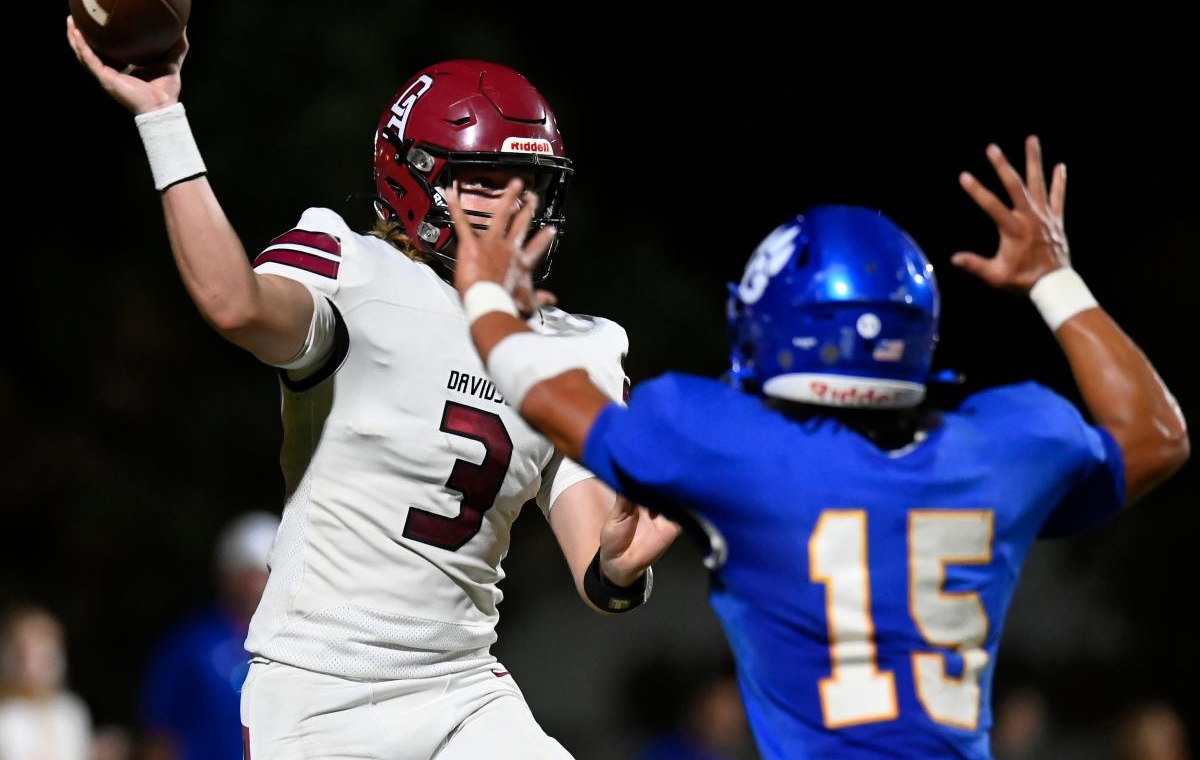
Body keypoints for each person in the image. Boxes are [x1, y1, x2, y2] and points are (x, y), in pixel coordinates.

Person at [446, 136, 1189, 758]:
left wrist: (485, 291)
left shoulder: (729, 444)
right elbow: (1156, 438)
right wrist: (1055, 279)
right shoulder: (1010, 439)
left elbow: (546, 395)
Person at [65, 18, 678, 760]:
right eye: (486, 180)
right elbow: (234, 302)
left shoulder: (578, 345)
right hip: (321, 690)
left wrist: (619, 559)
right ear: (414, 174)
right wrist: (164, 117)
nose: (514, 206)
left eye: (533, 184)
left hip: (461, 689)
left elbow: (597, 562)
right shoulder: (351, 270)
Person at [141, 511, 279, 760]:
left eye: (265, 573)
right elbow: (161, 732)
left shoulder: (299, 643)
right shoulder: (192, 643)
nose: (258, 584)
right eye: (249, 572)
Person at [0, 605, 92, 760]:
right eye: (28, 652)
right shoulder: (6, 716)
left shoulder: (71, 710)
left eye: (48, 651)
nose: (40, 662)